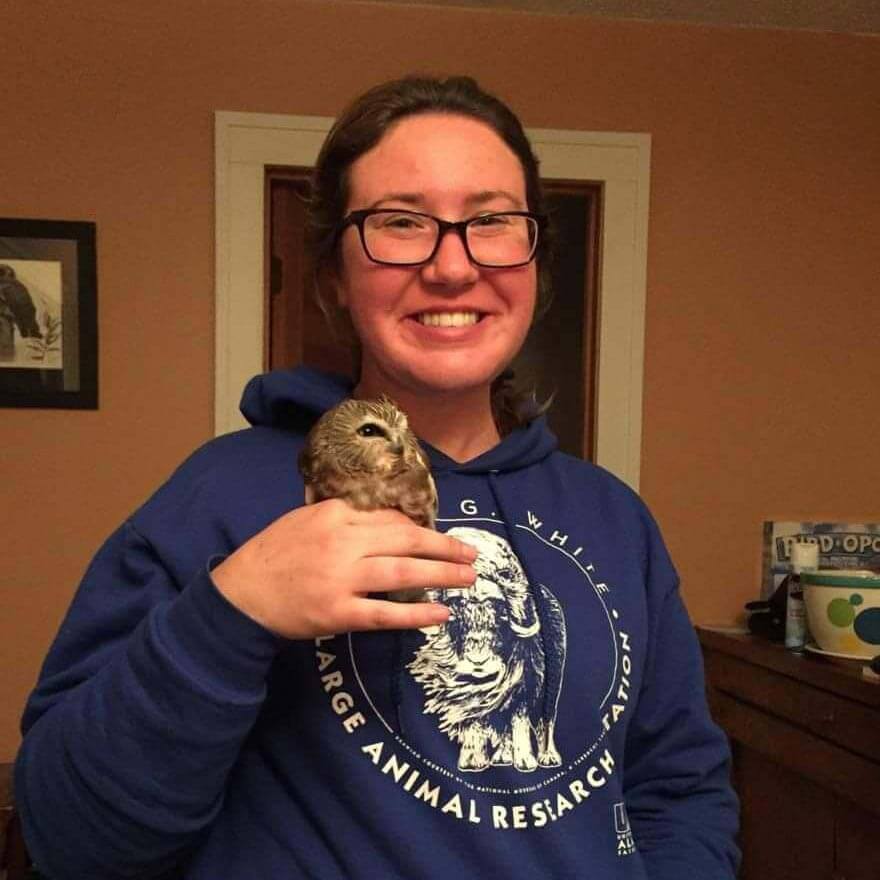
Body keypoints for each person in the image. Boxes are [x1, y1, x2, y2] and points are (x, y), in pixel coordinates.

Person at [15, 75, 740, 879]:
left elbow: (679, 790)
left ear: (534, 261)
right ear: (335, 277)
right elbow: (70, 840)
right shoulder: (220, 496)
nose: (453, 267)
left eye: (491, 221)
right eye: (401, 223)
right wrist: (231, 613)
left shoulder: (616, 518)